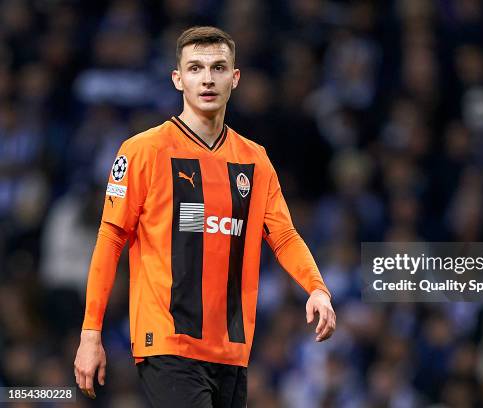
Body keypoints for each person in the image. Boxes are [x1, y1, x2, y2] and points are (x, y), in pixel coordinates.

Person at [73, 26, 335, 407]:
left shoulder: (254, 160)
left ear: (235, 78)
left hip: (231, 349)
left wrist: (317, 288)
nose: (207, 78)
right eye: (195, 68)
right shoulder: (143, 151)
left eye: (218, 67)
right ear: (178, 79)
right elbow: (111, 239)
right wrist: (90, 332)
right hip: (167, 342)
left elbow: (283, 235)